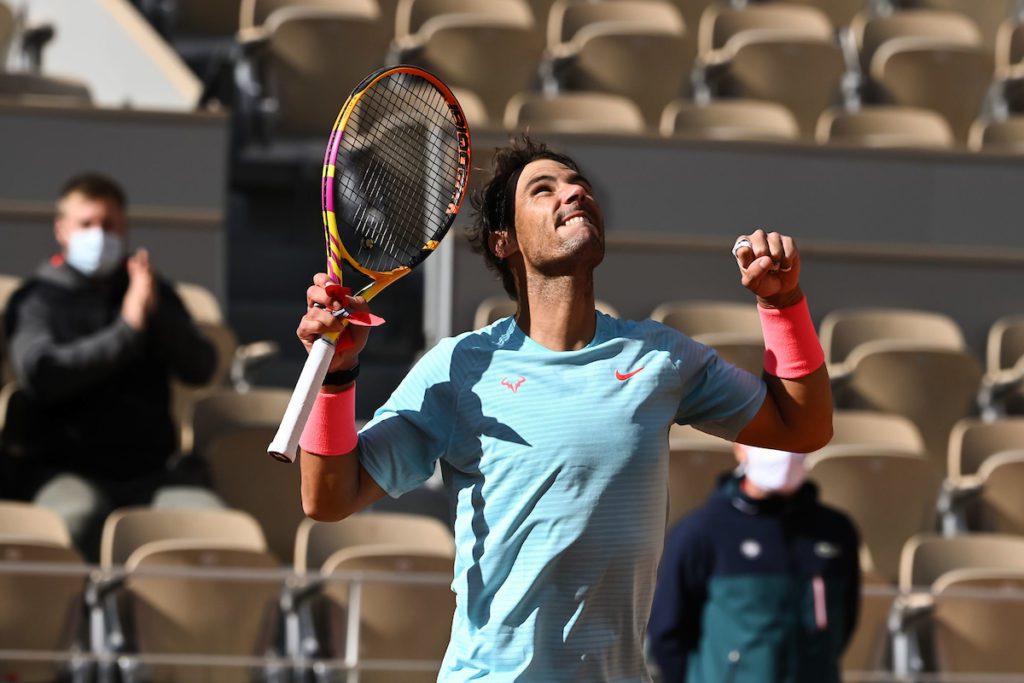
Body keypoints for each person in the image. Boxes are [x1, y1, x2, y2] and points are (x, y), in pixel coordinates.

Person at [295, 135, 833, 681]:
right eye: (544, 189)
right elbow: (328, 495)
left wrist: (782, 303)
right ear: (504, 241)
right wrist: (335, 376)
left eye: (580, 185)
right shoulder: (460, 368)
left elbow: (803, 426)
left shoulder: (661, 357)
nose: (573, 193)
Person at [2, 172, 219, 558]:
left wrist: (154, 313)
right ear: (62, 230)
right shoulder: (37, 299)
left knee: (213, 530)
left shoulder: (150, 290)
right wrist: (128, 328)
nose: (99, 234)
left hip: (151, 475)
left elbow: (201, 367)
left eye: (110, 224)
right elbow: (41, 375)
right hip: (64, 471)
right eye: (86, 224)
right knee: (78, 517)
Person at [647, 443, 861, 683]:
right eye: (770, 440)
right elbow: (667, 631)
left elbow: (844, 623)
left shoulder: (836, 531)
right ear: (739, 448)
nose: (785, 451)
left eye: (793, 439)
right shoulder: (701, 531)